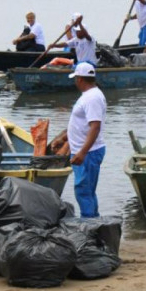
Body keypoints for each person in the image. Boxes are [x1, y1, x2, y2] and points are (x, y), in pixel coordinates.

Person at [51, 62, 107, 218]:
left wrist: (82, 152)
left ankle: (88, 224)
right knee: (87, 190)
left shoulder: (92, 98)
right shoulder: (89, 96)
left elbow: (95, 126)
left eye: (76, 78)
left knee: (83, 190)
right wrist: (64, 138)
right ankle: (93, 222)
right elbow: (80, 124)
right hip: (85, 151)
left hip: (89, 153)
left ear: (81, 79)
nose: (75, 82)